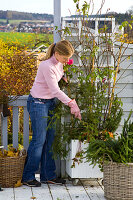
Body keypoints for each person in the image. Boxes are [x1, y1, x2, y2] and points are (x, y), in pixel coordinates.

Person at [22, 40, 81, 187]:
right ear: (57, 53)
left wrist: (62, 77)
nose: (67, 61)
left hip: (50, 103)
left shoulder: (59, 63)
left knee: (51, 139)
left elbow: (57, 74)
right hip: (38, 103)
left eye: (68, 58)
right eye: (65, 58)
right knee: (39, 140)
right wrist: (71, 103)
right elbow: (55, 91)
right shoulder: (46, 66)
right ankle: (28, 176)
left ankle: (48, 175)